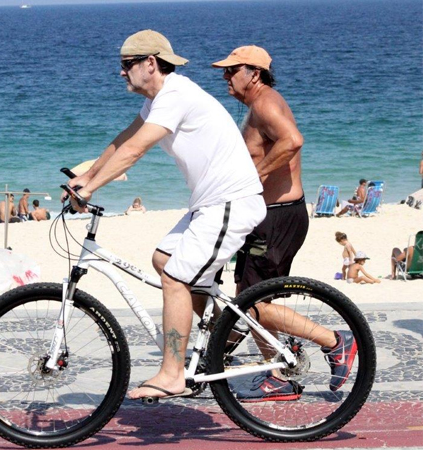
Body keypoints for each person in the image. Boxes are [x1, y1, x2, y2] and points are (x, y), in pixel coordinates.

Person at [66, 30, 267, 401]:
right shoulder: (160, 99)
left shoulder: (176, 95)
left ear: (150, 64)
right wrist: (86, 176)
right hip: (209, 204)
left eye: (127, 66)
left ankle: (174, 373)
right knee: (163, 259)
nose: (122, 73)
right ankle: (199, 349)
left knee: (176, 278)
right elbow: (124, 139)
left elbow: (135, 151)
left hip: (231, 202)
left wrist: (93, 188)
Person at [213, 45, 355, 401]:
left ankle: (335, 342)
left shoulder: (264, 103)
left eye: (233, 71)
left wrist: (252, 178)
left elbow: (293, 140)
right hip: (269, 217)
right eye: (226, 71)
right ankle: (273, 375)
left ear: (254, 73)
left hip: (278, 218)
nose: (225, 76)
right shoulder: (260, 105)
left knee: (253, 303)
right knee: (250, 300)